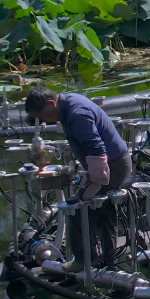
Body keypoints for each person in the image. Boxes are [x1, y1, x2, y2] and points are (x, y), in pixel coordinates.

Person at [24, 85, 132, 266]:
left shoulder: (76, 114)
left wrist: (94, 183)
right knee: (104, 209)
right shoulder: (69, 101)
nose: (43, 121)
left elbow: (96, 149)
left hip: (111, 165)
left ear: (51, 103)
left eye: (42, 115)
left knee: (76, 208)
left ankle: (84, 261)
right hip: (114, 161)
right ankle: (108, 258)